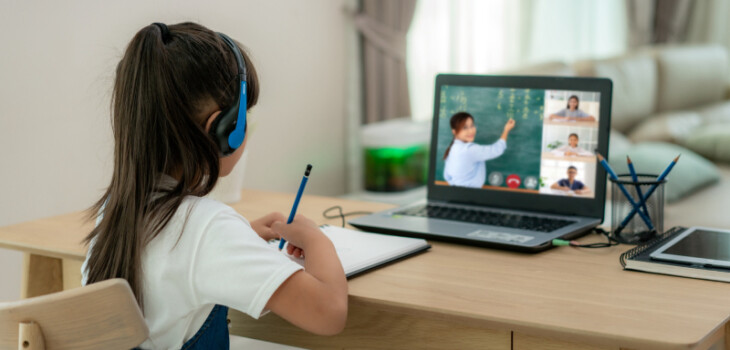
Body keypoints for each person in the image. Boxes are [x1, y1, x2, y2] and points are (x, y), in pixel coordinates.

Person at [81, 22, 347, 349]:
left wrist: (238, 236)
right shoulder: (208, 229)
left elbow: (181, 256)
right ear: (224, 130)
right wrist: (317, 240)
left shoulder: (114, 211)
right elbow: (329, 312)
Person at [443, 112, 515, 188]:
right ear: (454, 132)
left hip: (455, 192)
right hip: (469, 195)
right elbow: (497, 149)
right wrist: (506, 130)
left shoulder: (452, 148)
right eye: (465, 128)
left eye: (472, 126)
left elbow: (447, 176)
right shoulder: (469, 150)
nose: (471, 131)